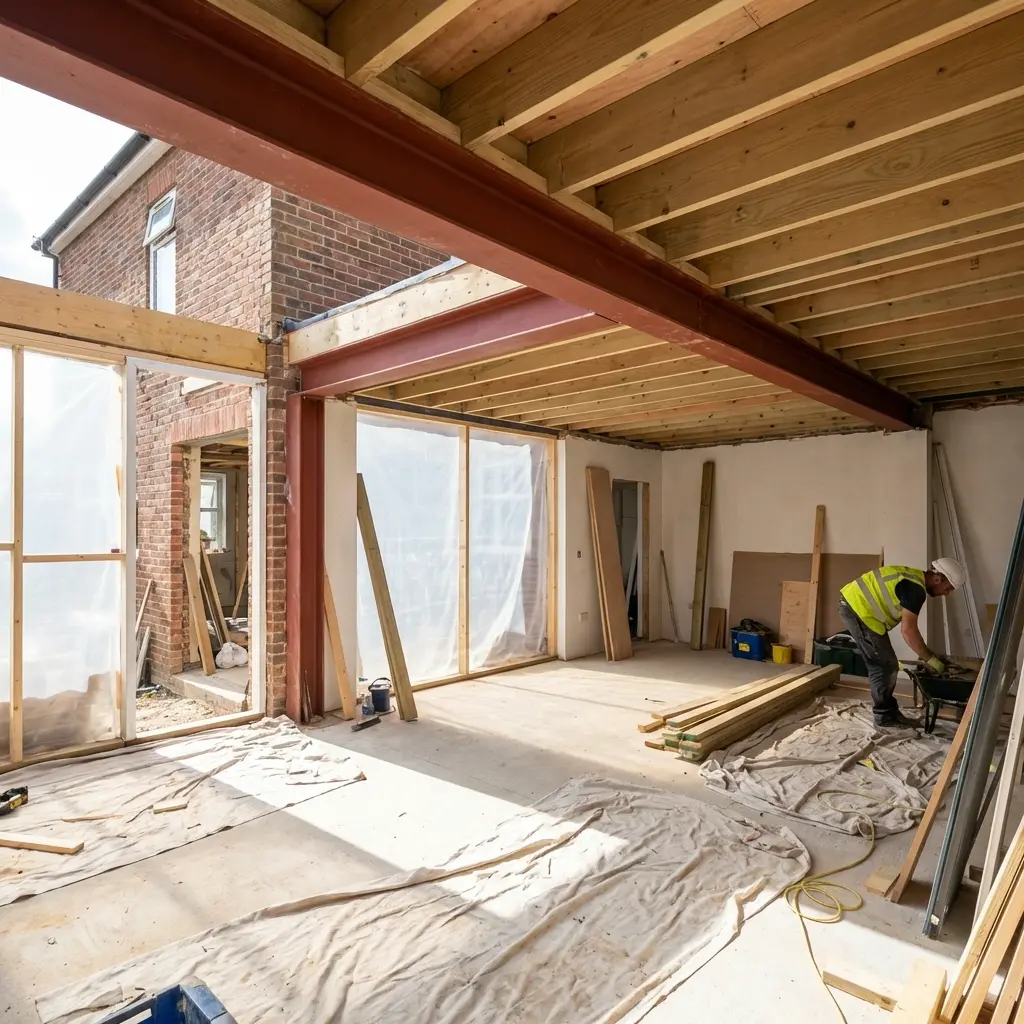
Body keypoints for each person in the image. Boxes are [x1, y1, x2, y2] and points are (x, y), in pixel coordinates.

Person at [837, 558, 966, 728]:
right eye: (948, 587)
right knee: (884, 665)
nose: (946, 593)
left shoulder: (913, 579)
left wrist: (929, 655)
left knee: (886, 663)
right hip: (858, 609)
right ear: (937, 578)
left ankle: (889, 712)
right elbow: (908, 631)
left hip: (859, 607)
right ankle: (884, 716)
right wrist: (930, 659)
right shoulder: (915, 590)